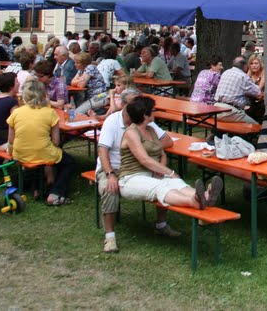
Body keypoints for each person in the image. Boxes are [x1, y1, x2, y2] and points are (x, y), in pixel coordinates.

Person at [96, 88, 183, 252]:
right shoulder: (112, 121)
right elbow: (102, 151)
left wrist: (147, 150)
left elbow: (167, 142)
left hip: (140, 167)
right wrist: (109, 174)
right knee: (110, 188)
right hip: (112, 167)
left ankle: (161, 224)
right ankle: (110, 237)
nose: (138, 106)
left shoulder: (144, 122)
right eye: (134, 103)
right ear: (123, 105)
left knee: (164, 180)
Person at [119, 95, 219, 213]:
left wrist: (161, 169)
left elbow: (162, 153)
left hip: (152, 174)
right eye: (153, 110)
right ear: (145, 115)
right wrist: (169, 172)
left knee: (176, 182)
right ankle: (193, 201)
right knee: (161, 187)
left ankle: (205, 196)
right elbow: (144, 160)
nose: (155, 112)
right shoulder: (131, 133)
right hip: (132, 177)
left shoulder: (150, 130)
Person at [7, 78, 76, 206]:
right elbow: (55, 141)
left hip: (20, 153)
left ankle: (36, 188)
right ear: (44, 95)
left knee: (36, 158)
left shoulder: (16, 112)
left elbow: (11, 139)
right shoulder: (50, 113)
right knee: (68, 162)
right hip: (42, 152)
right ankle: (56, 192)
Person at [214, 56, 262, 124]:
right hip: (230, 111)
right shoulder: (243, 76)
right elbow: (258, 92)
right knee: (256, 126)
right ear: (245, 66)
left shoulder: (226, 72)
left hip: (216, 108)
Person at [73, 51, 110, 116]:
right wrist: (80, 80)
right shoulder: (81, 70)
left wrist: (78, 81)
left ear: (84, 63)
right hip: (90, 98)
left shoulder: (90, 67)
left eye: (77, 63)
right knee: (77, 109)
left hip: (100, 97)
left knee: (77, 113)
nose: (75, 64)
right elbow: (72, 82)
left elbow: (81, 85)